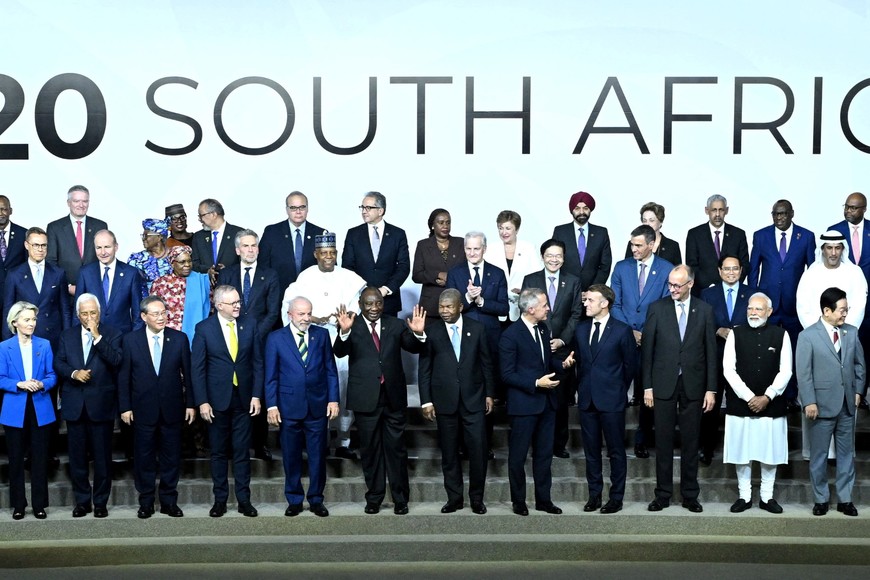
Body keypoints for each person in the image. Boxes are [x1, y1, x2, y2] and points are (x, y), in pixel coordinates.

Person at [333, 287, 426, 515]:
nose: (374, 308)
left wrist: (418, 334)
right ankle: (374, 498)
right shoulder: (351, 325)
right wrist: (343, 332)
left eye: (378, 303)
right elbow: (340, 351)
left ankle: (400, 499)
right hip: (366, 399)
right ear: (360, 305)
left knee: (397, 450)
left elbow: (413, 347)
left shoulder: (395, 324)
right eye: (369, 304)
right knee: (370, 451)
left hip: (393, 398)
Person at [283, 232, 366, 460]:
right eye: (324, 253)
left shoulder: (348, 277)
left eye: (332, 253)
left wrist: (346, 318)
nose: (328, 257)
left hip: (342, 339)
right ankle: (321, 439)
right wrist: (314, 319)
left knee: (343, 387)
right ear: (316, 254)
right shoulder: (305, 277)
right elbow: (290, 307)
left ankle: (344, 440)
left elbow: (359, 304)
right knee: (319, 388)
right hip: (314, 339)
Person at [642, 264, 717, 513]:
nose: (672, 289)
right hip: (663, 384)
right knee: (663, 442)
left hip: (694, 385)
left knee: (691, 441)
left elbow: (711, 352)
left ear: (690, 284)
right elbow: (647, 352)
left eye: (677, 285)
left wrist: (711, 389)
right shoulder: (657, 308)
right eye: (670, 284)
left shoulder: (705, 310)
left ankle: (690, 495)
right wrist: (647, 387)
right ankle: (662, 494)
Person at [418, 288, 495, 515]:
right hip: (444, 401)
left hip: (474, 400)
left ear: (460, 307)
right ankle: (454, 498)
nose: (444, 311)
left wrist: (489, 394)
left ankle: (477, 499)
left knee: (478, 452)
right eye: (441, 307)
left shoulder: (478, 328)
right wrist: (426, 401)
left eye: (449, 306)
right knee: (449, 453)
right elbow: (425, 370)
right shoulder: (431, 332)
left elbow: (486, 364)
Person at [500, 288, 575, 516]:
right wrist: (535, 383)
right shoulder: (510, 335)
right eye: (544, 305)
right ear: (531, 309)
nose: (548, 308)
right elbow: (506, 374)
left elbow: (546, 361)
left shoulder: (543, 329)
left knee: (544, 456)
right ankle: (519, 501)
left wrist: (562, 365)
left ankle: (544, 500)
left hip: (546, 404)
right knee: (518, 456)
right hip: (523, 405)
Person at [118, 296, 195, 519]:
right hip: (142, 410)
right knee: (144, 458)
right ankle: (146, 502)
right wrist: (125, 407)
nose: (161, 318)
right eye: (156, 314)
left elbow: (188, 375)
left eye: (163, 313)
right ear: (144, 316)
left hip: (173, 409)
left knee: (171, 457)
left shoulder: (179, 339)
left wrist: (191, 404)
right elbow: (124, 377)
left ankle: (169, 501)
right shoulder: (130, 340)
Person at [191, 285, 262, 518]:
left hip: (244, 399)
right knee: (219, 453)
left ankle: (244, 500)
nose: (238, 306)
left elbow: (258, 363)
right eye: (233, 303)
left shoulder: (250, 324)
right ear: (219, 305)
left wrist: (256, 395)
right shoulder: (204, 328)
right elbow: (197, 369)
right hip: (215, 402)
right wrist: (202, 401)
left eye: (239, 301)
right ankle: (220, 500)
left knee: (242, 452)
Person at [266, 296, 339, 517]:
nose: (306, 318)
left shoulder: (321, 335)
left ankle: (316, 499)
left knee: (317, 456)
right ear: (290, 315)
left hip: (317, 406)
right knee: (291, 456)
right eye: (301, 314)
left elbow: (330, 369)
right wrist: (272, 406)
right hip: (288, 407)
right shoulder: (276, 338)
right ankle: (294, 499)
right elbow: (271, 376)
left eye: (309, 313)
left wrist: (333, 400)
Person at [797, 287, 866, 517]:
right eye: (842, 310)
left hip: (847, 406)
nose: (845, 313)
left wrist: (858, 392)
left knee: (847, 455)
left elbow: (859, 366)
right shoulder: (808, 336)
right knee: (819, 456)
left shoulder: (851, 332)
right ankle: (821, 499)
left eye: (847, 309)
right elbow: (804, 373)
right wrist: (809, 401)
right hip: (820, 406)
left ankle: (845, 499)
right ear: (827, 311)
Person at [53, 293, 122, 518]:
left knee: (102, 459)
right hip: (75, 405)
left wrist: (97, 337)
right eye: (84, 313)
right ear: (77, 315)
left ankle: (100, 502)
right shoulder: (67, 335)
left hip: (101, 405)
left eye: (93, 313)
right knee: (77, 459)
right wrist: (74, 373)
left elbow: (116, 360)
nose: (89, 317)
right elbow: (59, 362)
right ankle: (82, 502)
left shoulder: (112, 333)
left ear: (99, 313)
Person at [722, 293, 791, 515]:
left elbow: (786, 370)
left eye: (758, 309)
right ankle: (744, 496)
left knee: (770, 453)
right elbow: (728, 369)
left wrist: (767, 396)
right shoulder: (735, 334)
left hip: (771, 404)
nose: (753, 313)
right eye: (750, 309)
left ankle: (766, 497)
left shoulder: (781, 335)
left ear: (769, 312)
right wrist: (749, 397)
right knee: (742, 453)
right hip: (740, 404)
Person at [216, 228, 281, 461]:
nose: (250, 250)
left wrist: (252, 335)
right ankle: (231, 445)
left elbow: (272, 312)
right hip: (230, 341)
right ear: (237, 250)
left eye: (254, 245)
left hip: (260, 343)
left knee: (258, 392)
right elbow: (220, 308)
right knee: (233, 392)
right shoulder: (227, 274)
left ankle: (260, 443)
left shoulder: (270, 275)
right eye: (245, 246)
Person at [610, 224, 673, 459]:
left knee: (649, 391)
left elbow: (666, 306)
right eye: (632, 244)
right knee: (618, 391)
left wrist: (645, 333)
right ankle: (615, 440)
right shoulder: (621, 267)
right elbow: (614, 303)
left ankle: (642, 440)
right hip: (623, 339)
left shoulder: (666, 269)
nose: (633, 249)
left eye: (638, 245)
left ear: (651, 244)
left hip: (653, 341)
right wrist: (630, 332)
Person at [574, 285, 636, 514]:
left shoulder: (622, 330)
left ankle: (616, 498)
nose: (585, 303)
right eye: (586, 299)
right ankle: (594, 495)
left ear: (604, 303)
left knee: (616, 451)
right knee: (591, 452)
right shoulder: (581, 329)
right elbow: (581, 363)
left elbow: (630, 366)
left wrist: (618, 390)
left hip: (612, 400)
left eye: (590, 300)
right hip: (587, 400)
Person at [521, 239, 583, 459]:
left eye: (558, 255)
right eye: (549, 255)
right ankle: (537, 444)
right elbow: (527, 311)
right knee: (537, 399)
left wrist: (562, 340)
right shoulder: (531, 279)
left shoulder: (573, 281)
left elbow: (576, 313)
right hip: (536, 347)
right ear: (542, 257)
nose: (554, 259)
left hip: (562, 350)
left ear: (564, 258)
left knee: (560, 401)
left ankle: (559, 444)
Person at [0, 301, 57, 520]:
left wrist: (42, 384)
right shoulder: (4, 347)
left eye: (33, 319)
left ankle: (39, 504)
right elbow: (1, 378)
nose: (32, 323)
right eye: (27, 319)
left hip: (40, 407)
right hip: (15, 409)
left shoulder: (44, 345)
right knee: (15, 459)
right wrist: (19, 384)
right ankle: (18, 505)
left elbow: (52, 376)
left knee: (40, 459)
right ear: (15, 322)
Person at [699, 255, 751, 466]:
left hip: (742, 359)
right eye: (727, 269)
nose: (731, 272)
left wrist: (742, 332)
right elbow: (700, 323)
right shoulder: (707, 294)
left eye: (735, 268)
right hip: (715, 357)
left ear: (741, 271)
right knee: (710, 405)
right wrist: (717, 330)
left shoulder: (752, 293)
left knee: (739, 403)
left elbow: (760, 322)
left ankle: (740, 450)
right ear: (719, 271)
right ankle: (706, 449)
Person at [829, 191, 870, 409]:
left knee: (866, 348)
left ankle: (862, 393)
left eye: (853, 208)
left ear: (864, 209)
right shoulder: (834, 231)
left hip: (868, 303)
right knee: (843, 349)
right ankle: (842, 392)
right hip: (842, 302)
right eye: (846, 206)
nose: (848, 211)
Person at [342, 192, 410, 317]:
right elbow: (347, 266)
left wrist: (386, 289)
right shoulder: (353, 234)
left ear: (380, 211)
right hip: (361, 301)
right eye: (362, 207)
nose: (364, 211)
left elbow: (403, 266)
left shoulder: (398, 234)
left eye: (368, 208)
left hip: (388, 301)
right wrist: (363, 290)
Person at [3, 227, 70, 347]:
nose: (40, 249)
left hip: (52, 338)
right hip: (24, 338)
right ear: (26, 245)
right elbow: (8, 311)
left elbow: (65, 310)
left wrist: (67, 341)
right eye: (35, 245)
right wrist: (7, 344)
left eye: (44, 245)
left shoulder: (58, 273)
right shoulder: (14, 275)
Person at [74, 230, 143, 333]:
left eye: (107, 247)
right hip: (91, 334)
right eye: (98, 248)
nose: (103, 252)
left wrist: (134, 339)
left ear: (116, 247)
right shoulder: (85, 272)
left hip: (122, 336)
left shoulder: (130, 273)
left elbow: (137, 313)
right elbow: (77, 309)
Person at [45, 185, 108, 297]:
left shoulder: (100, 226)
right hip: (64, 292)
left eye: (85, 201)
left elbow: (105, 258)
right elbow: (51, 261)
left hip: (94, 291)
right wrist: (67, 286)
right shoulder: (54, 227)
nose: (81, 205)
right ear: (68, 203)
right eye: (76, 201)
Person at [259, 191, 327, 294]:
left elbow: (329, 267)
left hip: (312, 293)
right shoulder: (272, 232)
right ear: (287, 210)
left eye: (302, 207)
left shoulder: (320, 234)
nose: (298, 212)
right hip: (278, 293)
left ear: (307, 209)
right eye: (293, 208)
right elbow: (262, 266)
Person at [685, 195, 750, 295]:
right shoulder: (694, 234)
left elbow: (744, 265)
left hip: (731, 292)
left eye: (721, 210)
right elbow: (692, 266)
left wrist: (729, 285)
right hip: (703, 293)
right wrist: (711, 287)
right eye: (714, 210)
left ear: (727, 210)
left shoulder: (738, 234)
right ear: (707, 210)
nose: (718, 214)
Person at [487, 210, 542, 323]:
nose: (504, 232)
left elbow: (537, 276)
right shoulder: (491, 249)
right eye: (500, 228)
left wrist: (525, 290)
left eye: (508, 228)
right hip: (496, 308)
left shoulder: (528, 248)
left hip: (522, 308)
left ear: (516, 229)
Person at [551, 191, 612, 290]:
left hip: (592, 292)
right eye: (577, 208)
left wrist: (593, 290)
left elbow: (605, 265)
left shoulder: (601, 233)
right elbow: (555, 261)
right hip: (565, 290)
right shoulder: (560, 232)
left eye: (586, 208)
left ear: (590, 210)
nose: (582, 212)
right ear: (572, 210)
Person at [411, 208, 465, 319]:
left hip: (455, 303)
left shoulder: (460, 243)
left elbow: (466, 271)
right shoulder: (423, 245)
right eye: (441, 223)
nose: (445, 226)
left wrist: (450, 279)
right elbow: (417, 275)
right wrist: (438, 275)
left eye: (448, 222)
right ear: (432, 225)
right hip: (431, 305)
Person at [151, 246, 212, 341]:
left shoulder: (201, 280)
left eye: (189, 261)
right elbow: (153, 311)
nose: (187, 265)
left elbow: (210, 307)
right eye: (182, 262)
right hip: (169, 336)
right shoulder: (161, 283)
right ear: (172, 263)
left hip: (196, 334)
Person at [190, 198, 243, 282]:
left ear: (213, 214)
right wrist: (208, 270)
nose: (200, 219)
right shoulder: (198, 236)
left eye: (201, 215)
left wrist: (228, 270)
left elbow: (246, 261)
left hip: (232, 284)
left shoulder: (239, 234)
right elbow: (193, 263)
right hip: (207, 286)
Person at [623, 202, 682, 266]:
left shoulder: (672, 246)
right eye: (644, 220)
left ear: (660, 222)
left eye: (651, 220)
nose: (647, 224)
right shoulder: (633, 243)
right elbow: (626, 267)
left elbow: (678, 270)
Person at [126, 218, 173, 296]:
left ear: (159, 237)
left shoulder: (175, 255)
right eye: (142, 236)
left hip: (174, 301)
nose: (143, 239)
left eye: (146, 236)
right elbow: (129, 286)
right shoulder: (137, 259)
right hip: (146, 302)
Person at [0, 195, 29, 315]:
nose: (1, 213)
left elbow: (28, 266)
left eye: (4, 209)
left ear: (10, 211)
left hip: (17, 296)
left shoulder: (23, 234)